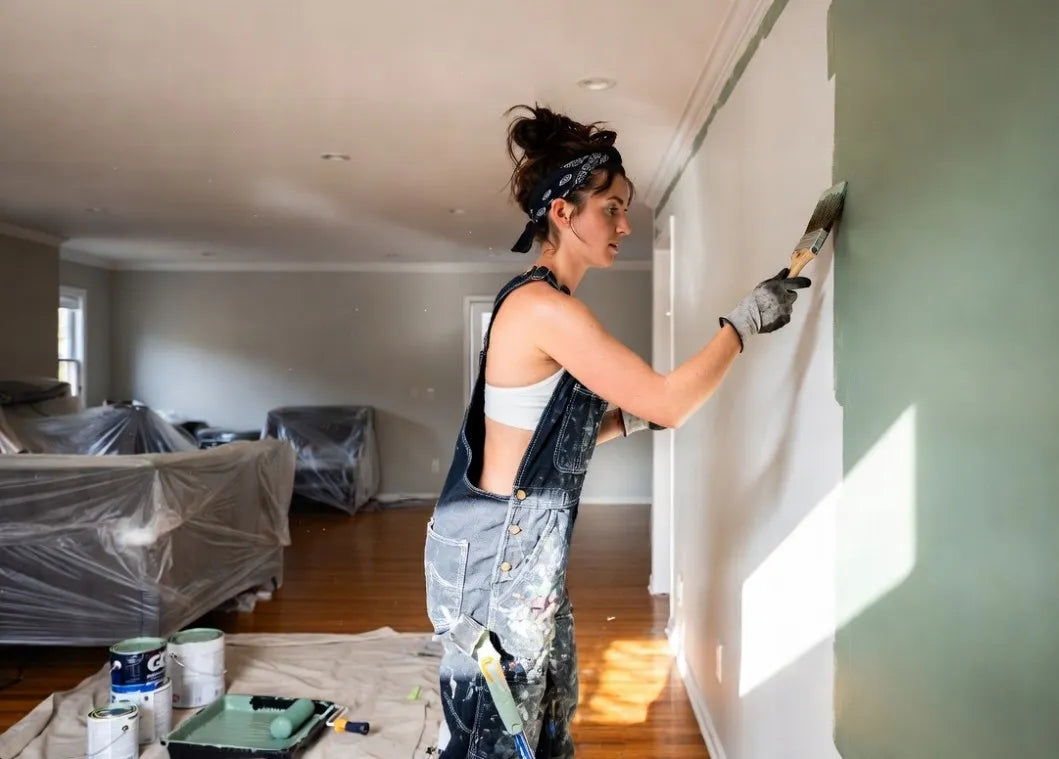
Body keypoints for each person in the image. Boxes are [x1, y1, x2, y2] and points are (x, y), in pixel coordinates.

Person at [423, 104, 809, 758]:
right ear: (562, 213)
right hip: (495, 561)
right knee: (498, 735)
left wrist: (626, 417)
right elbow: (668, 402)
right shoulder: (541, 307)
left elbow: (542, 438)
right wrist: (742, 323)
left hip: (520, 552)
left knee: (546, 719)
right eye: (612, 208)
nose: (626, 224)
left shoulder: (551, 305)